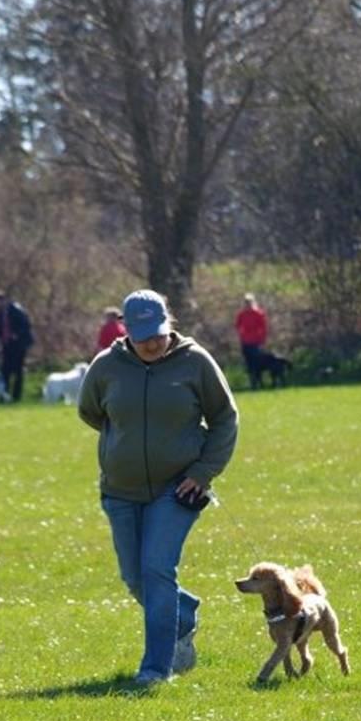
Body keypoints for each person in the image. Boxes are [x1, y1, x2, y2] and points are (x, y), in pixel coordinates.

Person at [78, 289, 239, 686]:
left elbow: (225, 418)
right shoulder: (105, 367)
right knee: (135, 577)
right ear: (127, 330)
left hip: (180, 487)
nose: (153, 342)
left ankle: (155, 670)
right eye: (144, 334)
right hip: (120, 489)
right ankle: (182, 616)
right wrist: (126, 446)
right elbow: (91, 412)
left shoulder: (195, 362)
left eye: (159, 332)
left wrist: (201, 472)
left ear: (170, 325)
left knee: (156, 568)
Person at [0, 290, 34, 402]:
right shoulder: (1, 313)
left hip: (19, 345)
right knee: (5, 371)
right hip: (7, 345)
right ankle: (4, 395)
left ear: (4, 300)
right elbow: (0, 328)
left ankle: (16, 396)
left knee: (18, 370)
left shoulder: (16, 310)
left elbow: (26, 325)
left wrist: (17, 334)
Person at [234, 292, 268, 388]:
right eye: (246, 302)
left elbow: (263, 328)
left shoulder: (258, 314)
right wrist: (242, 334)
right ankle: (252, 383)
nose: (247, 304)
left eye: (249, 302)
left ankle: (260, 382)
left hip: (256, 342)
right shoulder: (242, 314)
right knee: (249, 364)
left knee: (258, 363)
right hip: (245, 342)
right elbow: (237, 325)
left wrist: (262, 340)